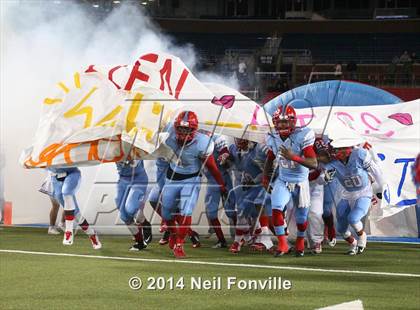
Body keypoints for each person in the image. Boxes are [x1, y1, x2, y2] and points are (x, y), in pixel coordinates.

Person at [161, 111, 226, 258]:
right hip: (171, 178)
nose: (183, 132)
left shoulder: (203, 143)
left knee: (186, 210)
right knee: (166, 212)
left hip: (191, 179)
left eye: (187, 129)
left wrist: (221, 183)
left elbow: (212, 167)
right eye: (180, 128)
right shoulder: (167, 132)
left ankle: (179, 243)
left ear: (194, 129)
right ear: (175, 127)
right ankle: (172, 233)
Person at [263, 104, 317, 257]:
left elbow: (314, 163)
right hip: (283, 179)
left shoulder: (303, 135)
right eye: (279, 122)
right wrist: (265, 177)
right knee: (276, 207)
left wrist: (293, 156)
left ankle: (300, 241)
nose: (282, 125)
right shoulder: (272, 137)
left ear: (293, 122)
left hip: (301, 182)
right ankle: (283, 244)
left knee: (301, 218)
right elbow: (270, 157)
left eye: (286, 122)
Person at [322, 141, 385, 255]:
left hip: (363, 192)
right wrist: (324, 178)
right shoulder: (333, 163)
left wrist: (380, 189)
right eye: (334, 149)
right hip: (347, 194)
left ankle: (362, 235)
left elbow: (376, 172)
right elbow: (320, 179)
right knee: (341, 229)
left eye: (338, 149)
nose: (335, 152)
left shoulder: (359, 154)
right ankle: (352, 243)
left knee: (353, 218)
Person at [49, 167, 101, 249]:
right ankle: (92, 234)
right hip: (55, 177)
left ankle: (68, 231)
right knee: (76, 214)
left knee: (66, 193)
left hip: (71, 172)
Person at [115, 159, 151, 251]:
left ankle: (145, 225)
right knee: (124, 216)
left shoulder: (136, 145)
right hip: (123, 179)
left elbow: (135, 162)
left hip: (138, 178)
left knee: (131, 208)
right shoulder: (113, 146)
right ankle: (140, 242)